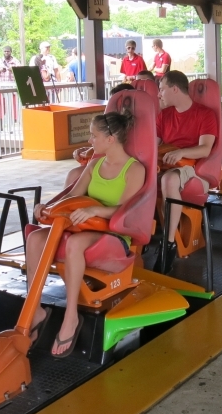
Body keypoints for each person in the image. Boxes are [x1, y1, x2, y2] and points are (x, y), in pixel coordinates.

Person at [27, 111, 145, 358]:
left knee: (75, 244)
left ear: (111, 138)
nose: (90, 141)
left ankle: (71, 317)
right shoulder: (94, 164)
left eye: (94, 135)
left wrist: (95, 209)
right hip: (83, 226)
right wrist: (48, 207)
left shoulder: (134, 170)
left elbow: (125, 209)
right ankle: (34, 309)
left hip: (114, 234)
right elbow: (72, 196)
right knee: (35, 238)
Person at [157, 71, 219, 259]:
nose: (159, 94)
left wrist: (181, 152)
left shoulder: (205, 114)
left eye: (162, 89)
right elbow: (154, 143)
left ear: (174, 89)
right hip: (165, 163)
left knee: (168, 180)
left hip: (191, 168)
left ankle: (168, 244)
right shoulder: (164, 115)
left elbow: (205, 149)